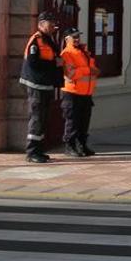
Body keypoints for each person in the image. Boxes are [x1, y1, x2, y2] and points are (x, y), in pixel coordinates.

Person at [20, 11, 63, 163]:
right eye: (50, 24)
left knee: (43, 118)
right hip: (36, 84)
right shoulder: (36, 40)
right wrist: (54, 64)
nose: (53, 27)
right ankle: (32, 152)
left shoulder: (48, 40)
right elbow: (33, 63)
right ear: (41, 24)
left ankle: (39, 149)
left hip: (45, 84)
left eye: (53, 24)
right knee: (37, 117)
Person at [58, 28, 100, 157]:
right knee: (72, 121)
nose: (77, 39)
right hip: (72, 93)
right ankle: (69, 146)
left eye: (78, 37)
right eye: (73, 37)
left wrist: (89, 70)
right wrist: (87, 70)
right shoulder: (66, 53)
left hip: (86, 93)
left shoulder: (84, 52)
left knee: (84, 121)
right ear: (67, 39)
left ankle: (82, 145)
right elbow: (71, 74)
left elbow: (94, 70)